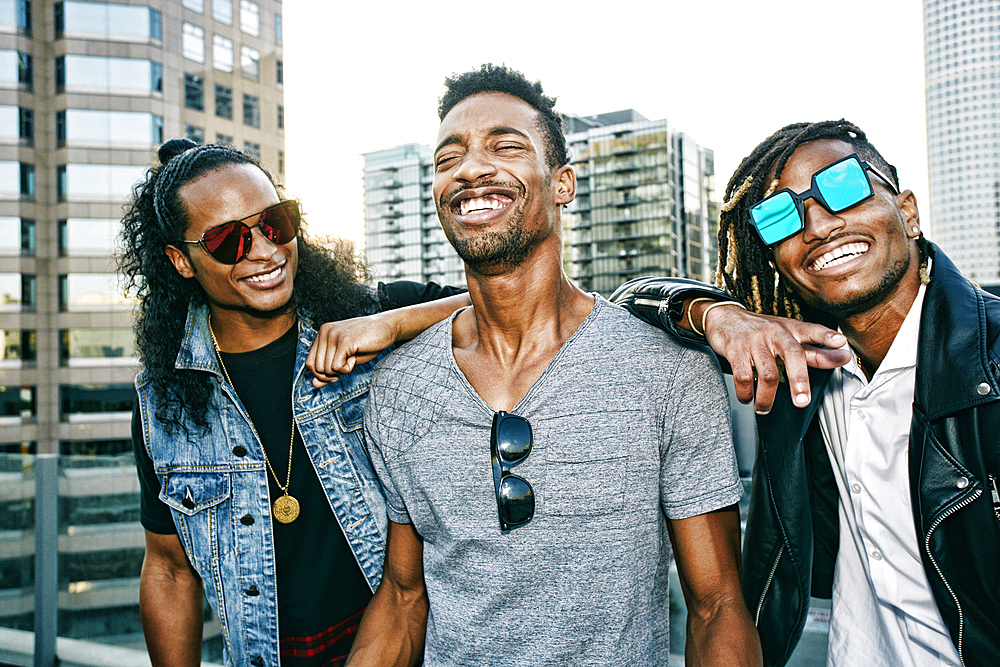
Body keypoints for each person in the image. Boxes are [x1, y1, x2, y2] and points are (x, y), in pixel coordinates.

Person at [343, 64, 761, 666]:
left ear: (563, 183)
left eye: (505, 146)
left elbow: (717, 606)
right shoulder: (400, 385)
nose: (469, 169)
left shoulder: (668, 372)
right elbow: (406, 598)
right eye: (447, 159)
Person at [612, 120, 1000, 666]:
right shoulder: (797, 370)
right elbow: (620, 308)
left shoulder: (992, 362)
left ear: (908, 213)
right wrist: (718, 313)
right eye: (780, 216)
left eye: (843, 186)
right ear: (775, 259)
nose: (816, 225)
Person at [119, 139, 468, 667]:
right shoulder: (164, 399)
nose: (264, 250)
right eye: (228, 240)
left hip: (406, 640)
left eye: (275, 223)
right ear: (181, 261)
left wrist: (391, 323)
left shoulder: (366, 318)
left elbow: (504, 299)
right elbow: (168, 567)